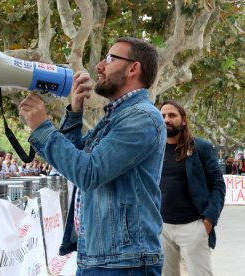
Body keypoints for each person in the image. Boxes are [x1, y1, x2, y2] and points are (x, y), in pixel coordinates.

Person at [19, 37, 166, 275]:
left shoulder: (141, 118)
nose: (99, 66)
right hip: (104, 257)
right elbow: (71, 163)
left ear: (133, 68)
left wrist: (42, 127)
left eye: (109, 58)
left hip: (124, 262)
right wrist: (75, 111)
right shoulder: (117, 116)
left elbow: (88, 173)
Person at [159, 100, 226, 276]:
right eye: (162, 116)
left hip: (194, 225)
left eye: (172, 115)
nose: (166, 119)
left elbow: (218, 185)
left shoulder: (200, 147)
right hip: (162, 227)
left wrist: (208, 221)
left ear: (183, 120)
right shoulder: (154, 149)